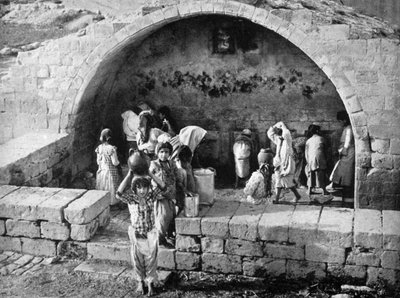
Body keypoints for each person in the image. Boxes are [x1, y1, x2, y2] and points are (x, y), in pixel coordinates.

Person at [116, 171, 166, 296]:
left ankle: (150, 283)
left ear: (149, 188)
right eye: (138, 187)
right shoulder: (131, 199)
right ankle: (140, 281)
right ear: (134, 189)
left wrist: (149, 173)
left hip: (150, 233)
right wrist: (129, 175)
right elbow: (118, 194)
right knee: (136, 259)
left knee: (151, 260)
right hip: (136, 233)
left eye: (145, 187)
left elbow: (163, 187)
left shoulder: (151, 197)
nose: (142, 190)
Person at [149, 141, 178, 248]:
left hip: (171, 194)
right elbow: (150, 178)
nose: (164, 154)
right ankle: (160, 239)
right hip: (160, 195)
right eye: (161, 152)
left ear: (170, 153)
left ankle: (168, 235)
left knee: (171, 215)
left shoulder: (172, 163)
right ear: (157, 152)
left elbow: (176, 177)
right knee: (163, 216)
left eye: (166, 152)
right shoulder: (154, 164)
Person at [267, 121, 301, 203]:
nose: (277, 132)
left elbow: (286, 132)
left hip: (287, 163)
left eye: (279, 130)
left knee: (288, 181)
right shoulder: (278, 140)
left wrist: (282, 125)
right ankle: (278, 199)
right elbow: (270, 134)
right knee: (278, 180)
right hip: (279, 163)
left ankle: (297, 196)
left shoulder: (288, 139)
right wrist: (274, 126)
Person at [327, 111, 355, 193]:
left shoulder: (349, 128)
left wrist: (344, 149)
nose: (340, 123)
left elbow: (348, 140)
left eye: (340, 121)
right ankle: (335, 183)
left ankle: (345, 185)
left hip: (348, 151)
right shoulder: (346, 128)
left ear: (344, 120)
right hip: (345, 150)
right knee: (340, 167)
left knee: (346, 169)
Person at [95, 128, 121, 205]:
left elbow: (97, 161)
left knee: (102, 186)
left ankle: (103, 202)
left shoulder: (99, 147)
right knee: (111, 186)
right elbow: (115, 162)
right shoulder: (111, 148)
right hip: (110, 172)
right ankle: (112, 202)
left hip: (101, 171)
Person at [305, 124, 328, 196]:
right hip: (319, 157)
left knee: (311, 174)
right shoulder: (321, 139)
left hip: (311, 158)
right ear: (318, 131)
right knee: (321, 174)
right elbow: (326, 149)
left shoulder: (308, 140)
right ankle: (324, 190)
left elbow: (306, 152)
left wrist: (308, 161)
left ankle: (309, 190)